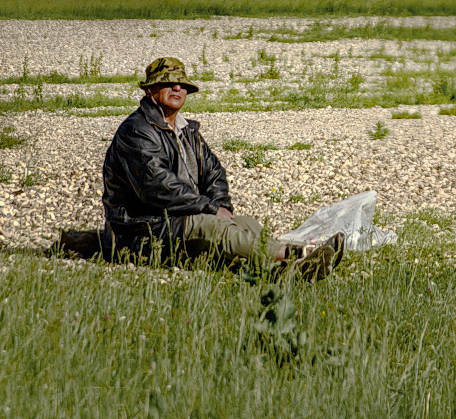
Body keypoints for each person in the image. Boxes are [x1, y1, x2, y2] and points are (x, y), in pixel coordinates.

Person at [102, 57, 343, 281]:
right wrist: (210, 208)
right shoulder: (136, 131)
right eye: (168, 83)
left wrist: (221, 205)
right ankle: (293, 255)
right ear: (149, 90)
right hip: (143, 229)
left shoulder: (188, 131)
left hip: (180, 219)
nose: (177, 89)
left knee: (245, 224)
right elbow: (156, 186)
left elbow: (214, 173)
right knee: (216, 227)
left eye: (182, 85)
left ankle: (285, 271)